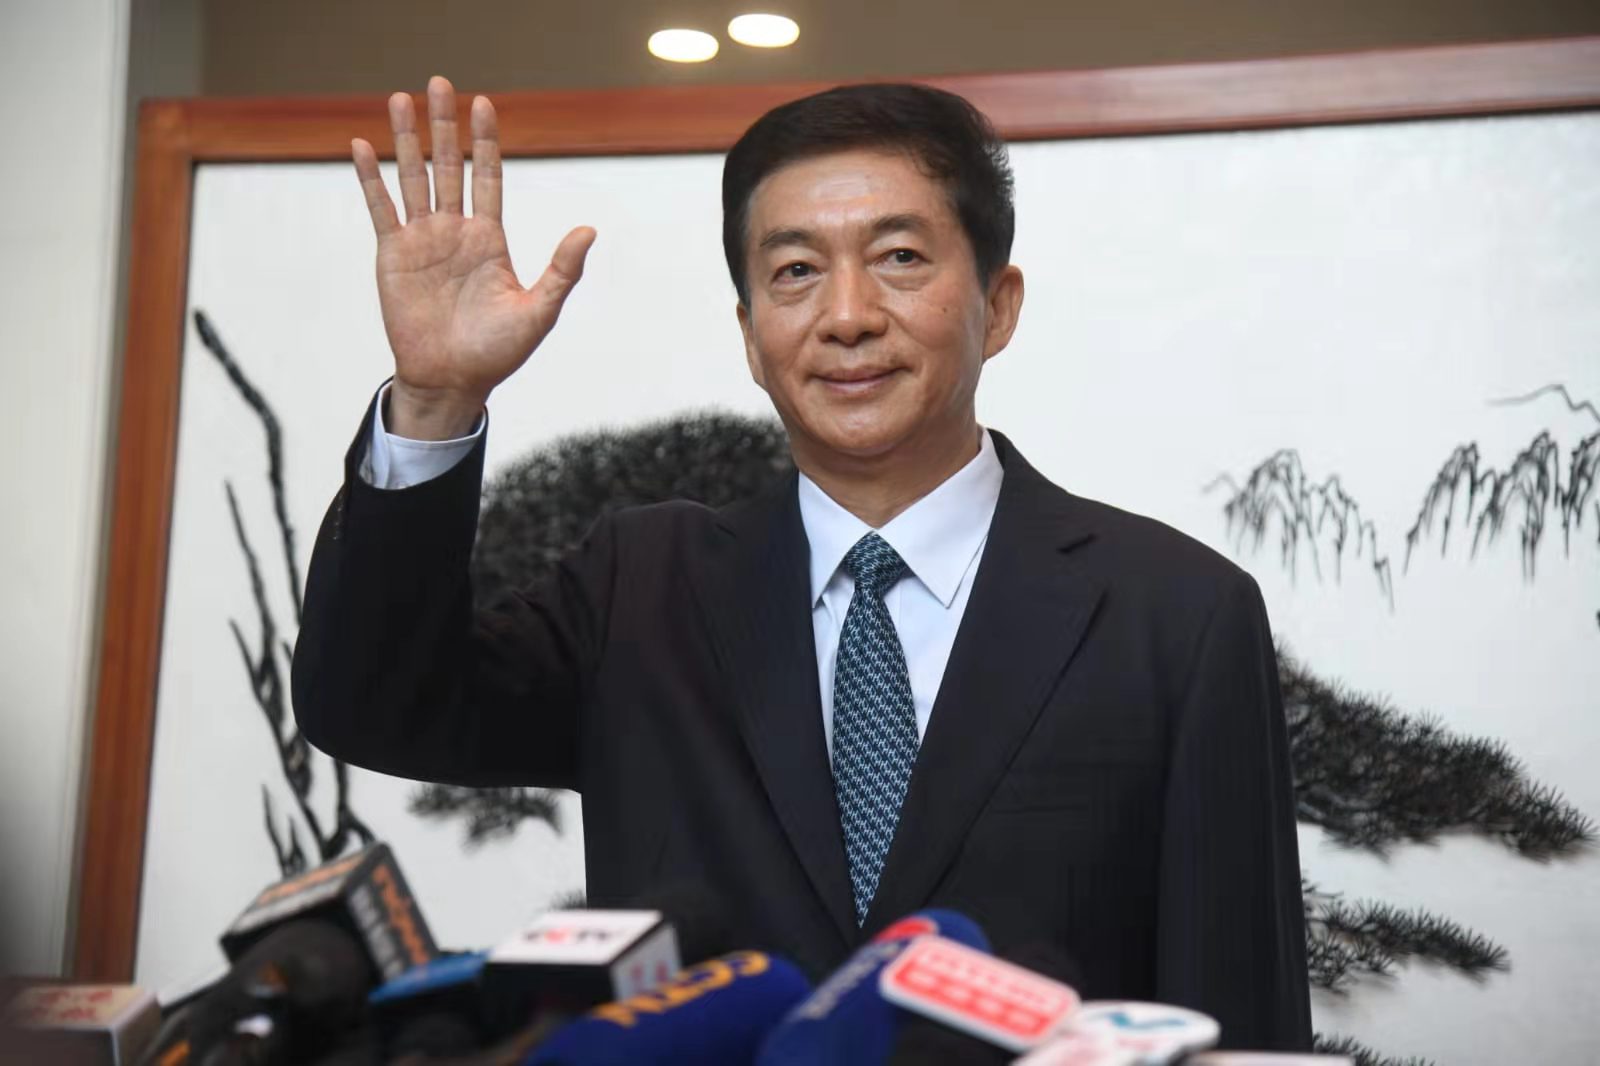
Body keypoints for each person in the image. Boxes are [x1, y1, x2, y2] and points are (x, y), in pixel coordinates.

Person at [292, 76, 1312, 1050]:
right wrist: (435, 403)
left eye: (900, 257)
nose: (847, 315)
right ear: (750, 334)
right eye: (794, 272)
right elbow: (373, 705)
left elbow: (1238, 1003)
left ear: (997, 306)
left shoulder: (1175, 613)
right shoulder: (640, 590)